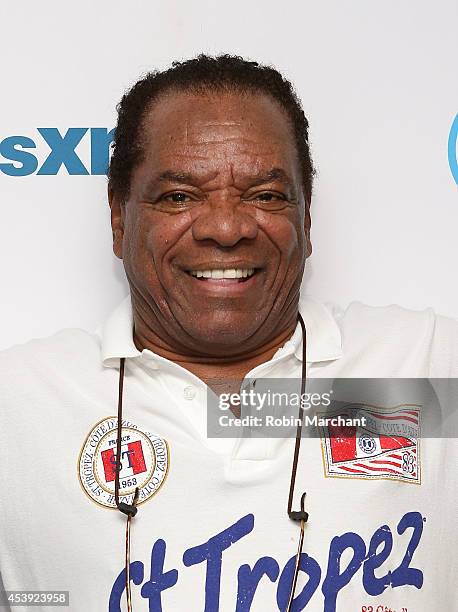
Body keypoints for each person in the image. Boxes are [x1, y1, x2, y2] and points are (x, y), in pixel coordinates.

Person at [0, 54, 456, 612]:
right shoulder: (16, 403)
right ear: (119, 222)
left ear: (306, 221)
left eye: (265, 196)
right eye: (179, 197)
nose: (226, 228)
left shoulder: (428, 366)